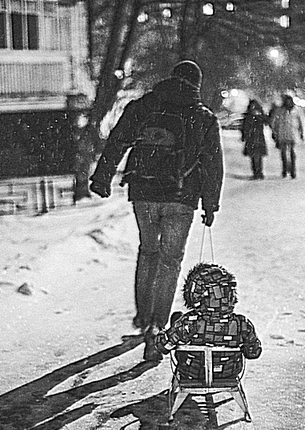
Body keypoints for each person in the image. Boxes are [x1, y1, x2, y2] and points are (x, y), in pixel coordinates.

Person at [89, 60, 225, 361]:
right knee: (170, 261)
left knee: (148, 251)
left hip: (144, 191)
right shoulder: (202, 116)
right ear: (196, 85)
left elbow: (118, 140)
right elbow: (212, 163)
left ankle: (144, 316)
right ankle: (157, 325)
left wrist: (102, 177)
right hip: (181, 196)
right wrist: (210, 203)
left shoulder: (144, 106)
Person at [154, 262, 262, 362]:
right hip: (229, 372)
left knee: (177, 320)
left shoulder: (188, 322)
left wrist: (163, 335)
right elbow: (253, 353)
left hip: (192, 371)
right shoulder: (242, 324)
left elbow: (163, 347)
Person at [271, 93, 304, 179]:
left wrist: (301, 132)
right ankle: (285, 169)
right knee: (283, 152)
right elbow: (274, 122)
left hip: (292, 133)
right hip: (282, 134)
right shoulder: (280, 111)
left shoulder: (296, 111)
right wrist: (274, 132)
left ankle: (293, 170)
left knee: (292, 152)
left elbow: (300, 122)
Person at [240, 99, 271, 179]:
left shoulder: (251, 117)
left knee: (255, 157)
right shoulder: (253, 117)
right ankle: (258, 172)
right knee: (256, 157)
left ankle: (257, 172)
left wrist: (244, 136)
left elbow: (244, 128)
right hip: (256, 139)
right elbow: (245, 127)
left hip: (254, 139)